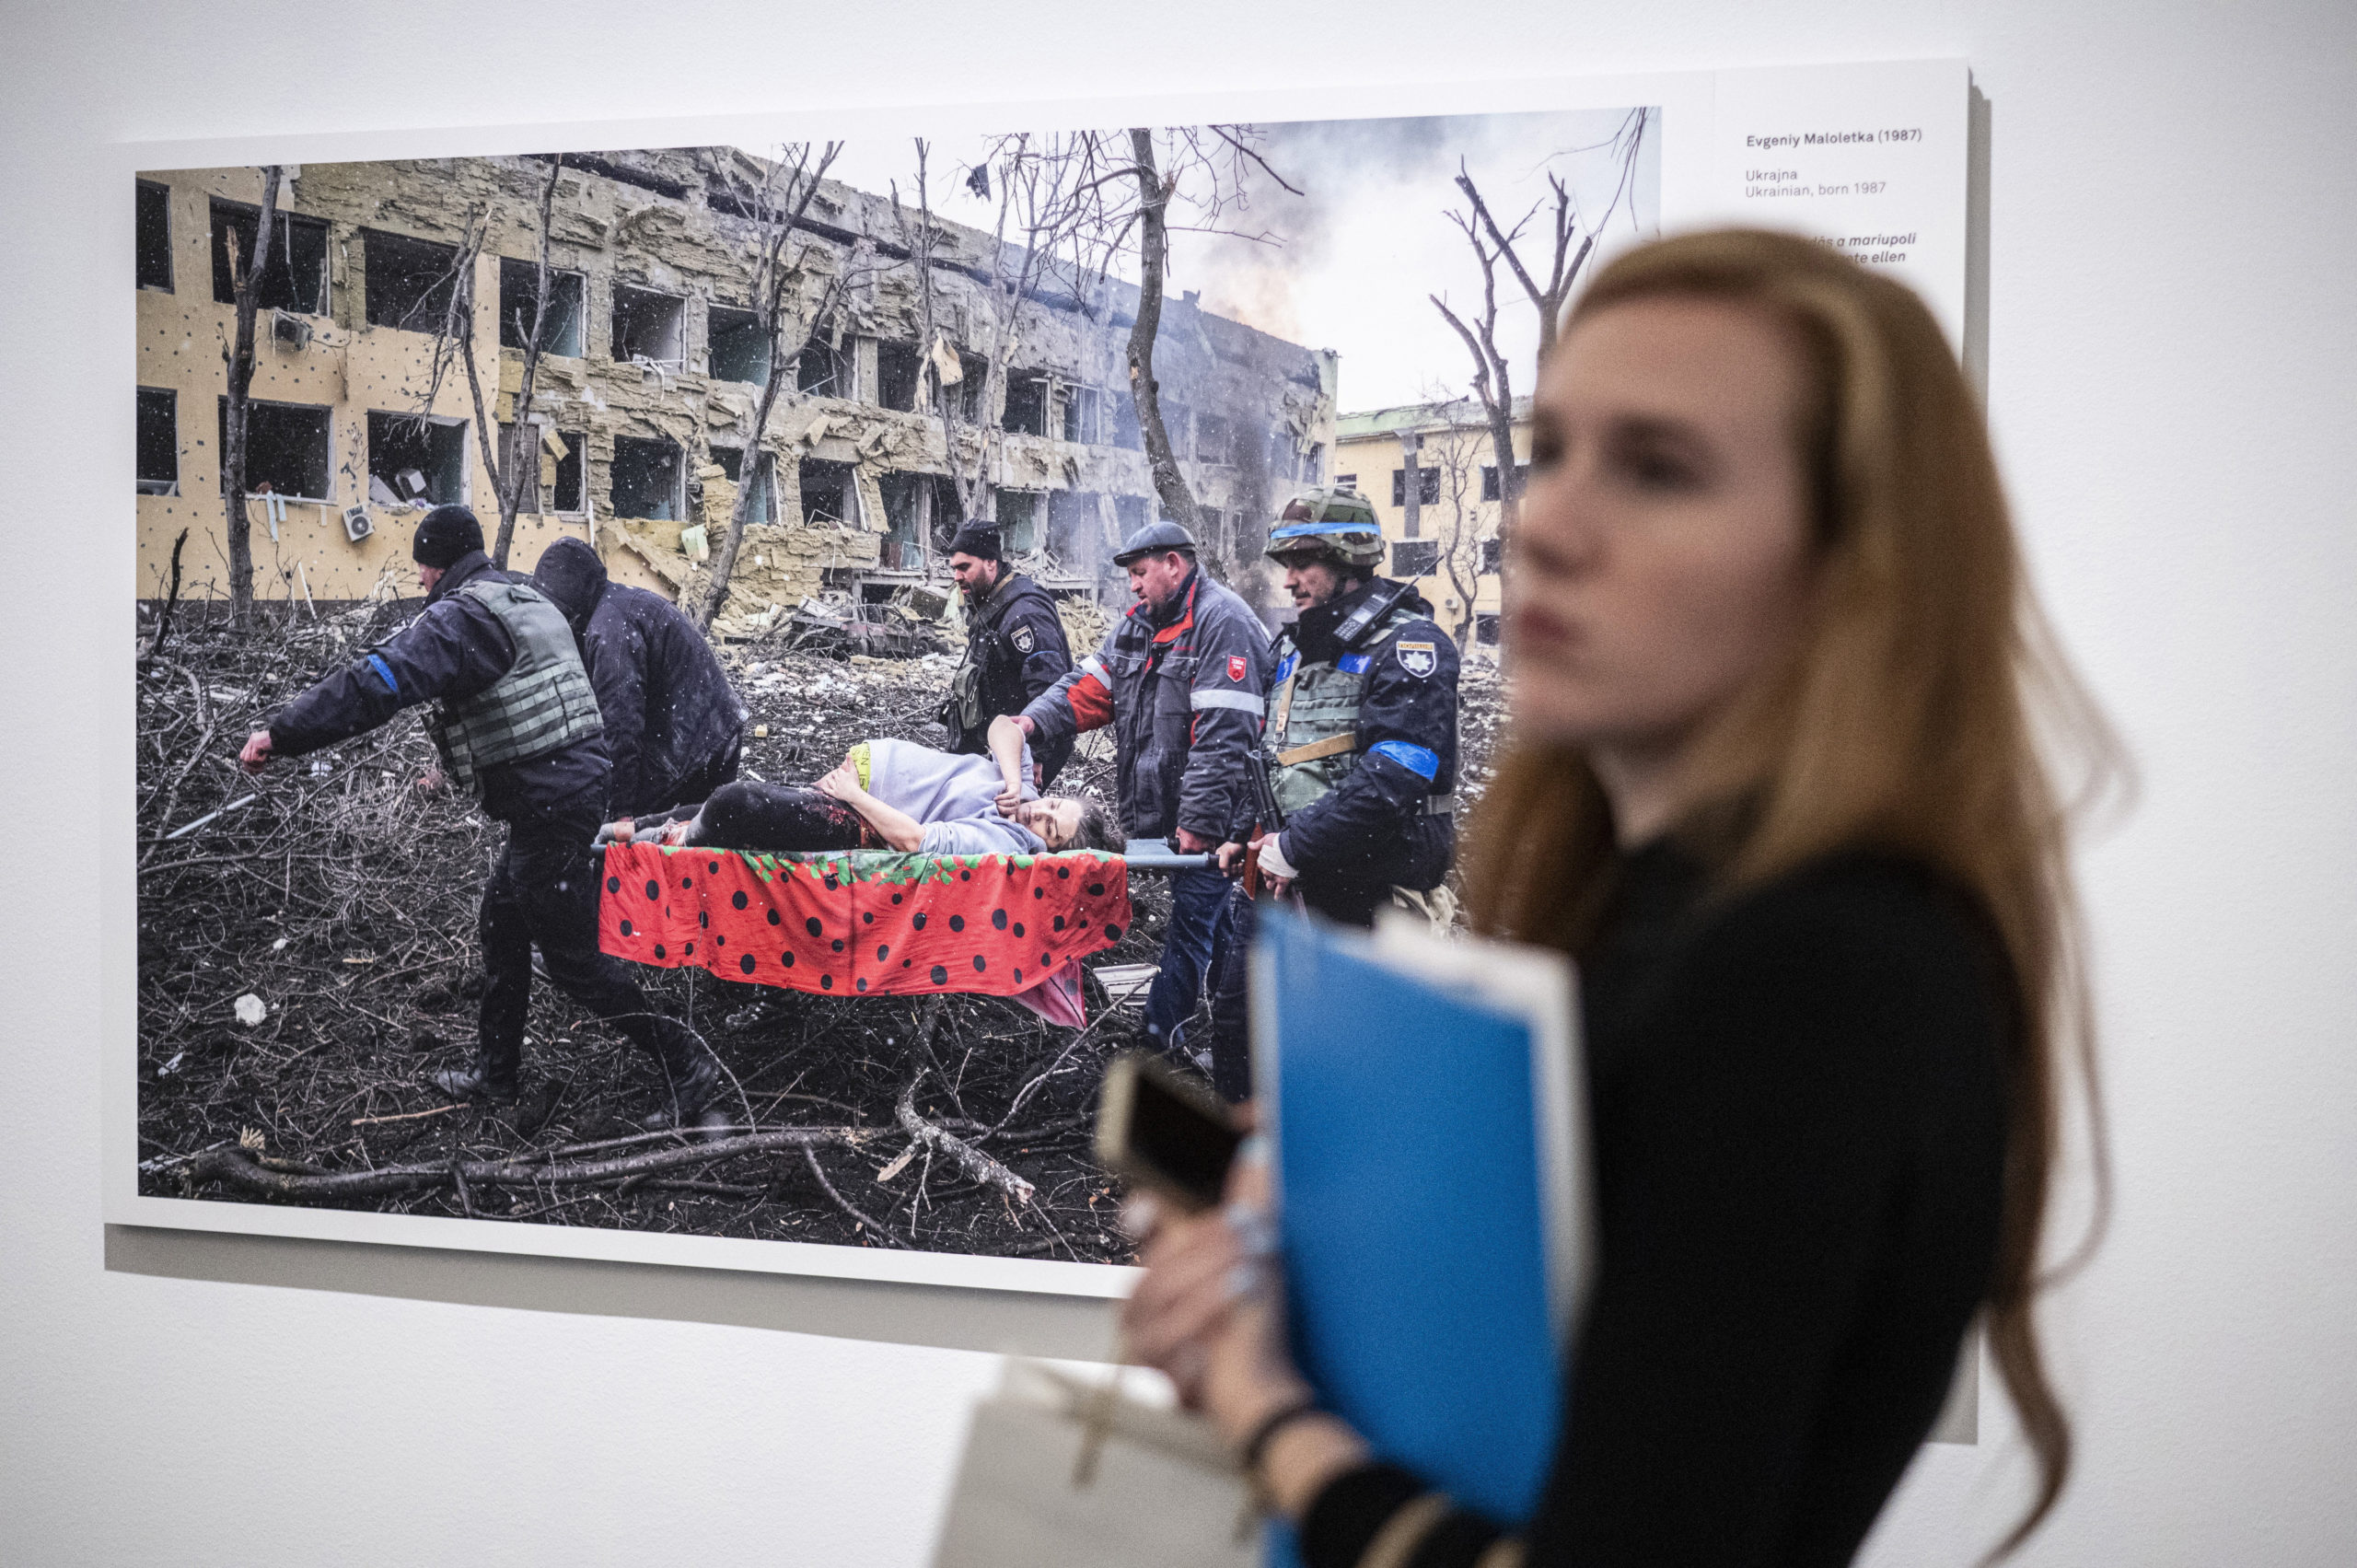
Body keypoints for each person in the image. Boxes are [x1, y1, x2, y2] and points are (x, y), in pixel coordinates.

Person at [1122, 230, 2112, 1565]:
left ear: (1854, 564)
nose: (1551, 524)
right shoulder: (1666, 909)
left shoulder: (1823, 969)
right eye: (1559, 453)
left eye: (1658, 467)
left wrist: (1261, 1399)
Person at [237, 505, 726, 1134]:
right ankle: (496, 1072)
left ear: (437, 565)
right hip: (568, 790)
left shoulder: (462, 616)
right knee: (502, 922)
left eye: (421, 567)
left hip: (552, 802)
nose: (418, 580)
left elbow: (375, 682)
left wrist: (282, 735)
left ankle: (689, 1066)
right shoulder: (521, 596)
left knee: (572, 958)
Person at [1201, 489, 1460, 1099]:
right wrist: (1246, 834)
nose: (1289, 581)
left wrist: (1293, 845)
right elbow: (1273, 755)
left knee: (1356, 1070)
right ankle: (1252, 1176)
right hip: (1283, 884)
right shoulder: (1292, 649)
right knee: (1238, 1032)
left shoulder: (1410, 647)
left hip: (1369, 892)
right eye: (1285, 565)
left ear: (1348, 559)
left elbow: (1396, 777)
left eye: (1303, 564)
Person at [1006, 519, 1269, 1057]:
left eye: (1140, 572)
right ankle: (1232, 1015)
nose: (1132, 585)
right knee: (1208, 916)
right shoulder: (1137, 626)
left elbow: (1224, 740)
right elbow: (1085, 688)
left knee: (1192, 922)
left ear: (1175, 563)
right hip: (1167, 814)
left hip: (1217, 817)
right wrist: (1029, 724)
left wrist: (1197, 824)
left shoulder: (1225, 624)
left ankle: (1156, 1037)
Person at [610, 726, 1118, 859]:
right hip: (852, 788)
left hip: (861, 819)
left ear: (1048, 850)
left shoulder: (1006, 844)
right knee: (717, 802)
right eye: (1052, 806)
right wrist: (1012, 778)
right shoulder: (1019, 791)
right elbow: (1006, 727)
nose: (1038, 815)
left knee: (734, 804)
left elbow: (917, 841)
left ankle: (662, 845)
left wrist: (854, 794)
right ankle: (622, 832)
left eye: (1050, 830)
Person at [529, 535, 747, 825]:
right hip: (711, 732)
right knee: (691, 840)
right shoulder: (614, 606)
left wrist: (621, 813)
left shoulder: (609, 631)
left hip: (697, 747)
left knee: (650, 839)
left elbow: (621, 724)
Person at [937, 519, 1075, 784]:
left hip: (1025, 746)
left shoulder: (1024, 614)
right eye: (954, 568)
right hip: (1002, 742)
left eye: (964, 567)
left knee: (1011, 818)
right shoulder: (990, 602)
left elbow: (1049, 688)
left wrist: (1037, 754)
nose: (956, 577)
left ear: (991, 562)